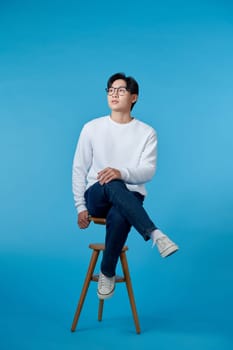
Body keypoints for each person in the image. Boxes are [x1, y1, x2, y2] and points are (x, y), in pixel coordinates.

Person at [72, 72, 178, 300]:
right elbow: (79, 168)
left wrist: (121, 172)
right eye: (110, 90)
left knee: (120, 213)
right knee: (111, 182)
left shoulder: (147, 132)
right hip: (97, 196)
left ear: (134, 97)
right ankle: (155, 233)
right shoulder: (92, 128)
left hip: (130, 199)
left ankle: (106, 272)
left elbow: (148, 171)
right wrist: (80, 206)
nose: (114, 94)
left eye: (120, 90)